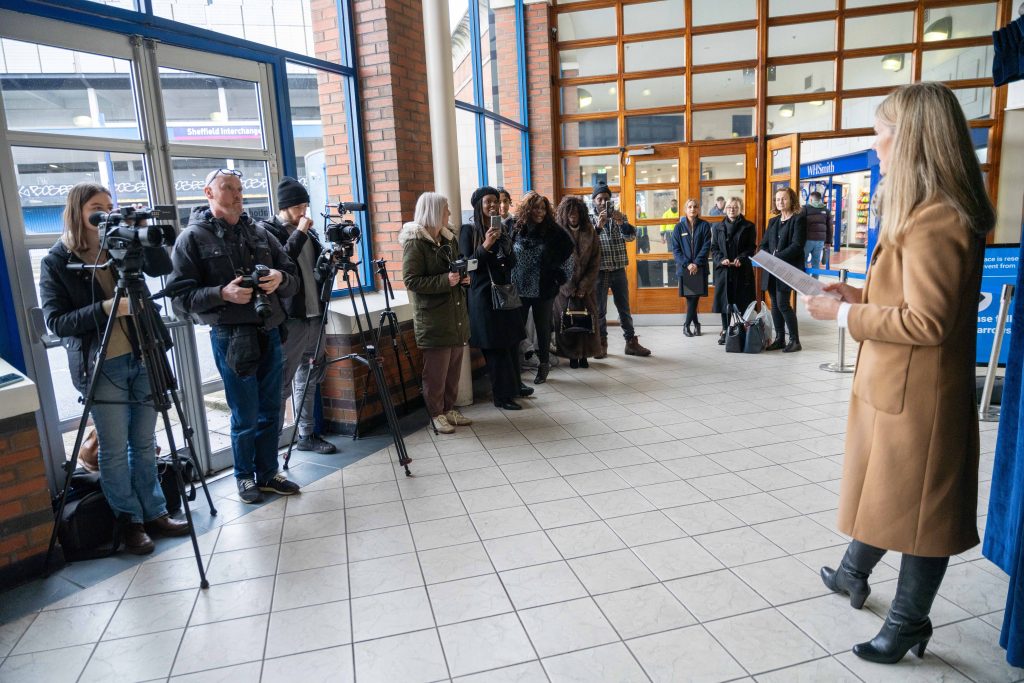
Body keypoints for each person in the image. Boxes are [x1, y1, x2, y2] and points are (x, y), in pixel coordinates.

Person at [805, 82, 995, 665]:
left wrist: (843, 315)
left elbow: (928, 321)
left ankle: (909, 622)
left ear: (910, 139)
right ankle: (853, 573)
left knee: (922, 514)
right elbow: (907, 299)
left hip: (921, 397)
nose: (875, 144)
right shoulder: (922, 208)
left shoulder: (938, 217)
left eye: (880, 133)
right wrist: (857, 295)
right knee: (889, 493)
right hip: (898, 388)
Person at [40, 182, 190, 554]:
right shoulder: (57, 260)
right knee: (113, 449)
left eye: (110, 206)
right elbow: (56, 322)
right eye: (97, 207)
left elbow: (162, 268)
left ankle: (155, 512)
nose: (106, 213)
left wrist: (142, 232)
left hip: (143, 355)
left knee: (144, 442)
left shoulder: (120, 243)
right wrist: (108, 309)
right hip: (102, 365)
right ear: (77, 212)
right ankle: (129, 522)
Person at [168, 169, 301, 504]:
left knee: (272, 408)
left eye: (240, 188)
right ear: (209, 193)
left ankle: (267, 473)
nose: (237, 194)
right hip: (230, 336)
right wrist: (221, 293)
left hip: (270, 329)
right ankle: (244, 477)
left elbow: (292, 277)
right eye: (228, 188)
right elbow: (179, 301)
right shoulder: (192, 238)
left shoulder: (259, 231)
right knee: (245, 413)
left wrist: (279, 278)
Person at [259, 177, 337, 455]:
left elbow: (312, 270)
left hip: (315, 313)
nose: (303, 210)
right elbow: (283, 261)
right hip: (290, 319)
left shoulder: (310, 234)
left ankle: (307, 434)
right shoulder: (268, 231)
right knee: (282, 382)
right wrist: (301, 231)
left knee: (310, 376)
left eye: (305, 205)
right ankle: (271, 448)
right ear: (285, 206)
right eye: (298, 206)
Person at [400, 192, 472, 434]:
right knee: (435, 374)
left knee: (453, 370)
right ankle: (436, 414)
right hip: (433, 319)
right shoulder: (415, 243)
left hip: (455, 315)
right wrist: (445, 281)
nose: (449, 213)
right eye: (445, 209)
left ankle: (449, 409)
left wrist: (463, 279)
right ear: (433, 212)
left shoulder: (448, 239)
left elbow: (455, 268)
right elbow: (411, 281)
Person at [459, 186, 529, 410]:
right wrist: (486, 245)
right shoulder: (468, 230)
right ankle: (502, 396)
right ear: (478, 205)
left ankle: (515, 387)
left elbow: (511, 264)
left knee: (511, 342)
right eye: (488, 201)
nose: (493, 205)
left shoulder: (502, 229)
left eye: (496, 201)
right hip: (483, 297)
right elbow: (467, 266)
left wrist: (506, 247)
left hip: (504, 293)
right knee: (496, 347)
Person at [510, 191, 574, 384]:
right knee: (516, 330)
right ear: (527, 209)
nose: (540, 211)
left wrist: (558, 279)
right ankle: (515, 369)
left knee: (543, 328)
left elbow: (568, 258)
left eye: (543, 208)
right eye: (536, 207)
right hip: (518, 289)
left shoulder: (555, 232)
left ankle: (543, 366)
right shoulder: (515, 228)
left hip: (543, 289)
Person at [592, 183, 651, 358]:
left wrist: (621, 222)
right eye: (599, 199)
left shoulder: (620, 216)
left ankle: (631, 343)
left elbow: (631, 237)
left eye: (606, 199)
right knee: (600, 310)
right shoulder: (589, 219)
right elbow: (587, 243)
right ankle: (601, 343)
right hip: (599, 271)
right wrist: (598, 226)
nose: (603, 202)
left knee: (624, 308)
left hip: (618, 270)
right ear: (594, 200)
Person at [552, 196, 602, 368]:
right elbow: (555, 262)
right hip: (564, 289)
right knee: (567, 322)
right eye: (569, 213)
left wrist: (584, 286)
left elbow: (595, 261)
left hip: (586, 288)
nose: (573, 216)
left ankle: (585, 355)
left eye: (576, 212)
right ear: (564, 214)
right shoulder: (557, 233)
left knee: (588, 321)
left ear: (581, 213)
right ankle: (572, 356)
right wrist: (569, 287)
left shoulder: (590, 231)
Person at [759, 186, 806, 352]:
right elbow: (764, 244)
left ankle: (795, 341)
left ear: (791, 200)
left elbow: (797, 246)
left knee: (783, 303)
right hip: (772, 269)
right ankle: (780, 339)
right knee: (774, 304)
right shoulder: (773, 221)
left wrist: (776, 257)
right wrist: (765, 256)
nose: (780, 202)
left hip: (787, 269)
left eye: (784, 198)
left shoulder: (798, 219)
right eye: (778, 199)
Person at [711, 197, 756, 344]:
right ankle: (725, 330)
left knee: (742, 301)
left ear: (740, 208)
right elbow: (714, 248)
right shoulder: (717, 227)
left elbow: (751, 248)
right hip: (724, 271)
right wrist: (721, 259)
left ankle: (740, 330)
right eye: (729, 207)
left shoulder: (749, 226)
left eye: (735, 207)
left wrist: (741, 258)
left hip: (741, 270)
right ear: (725, 208)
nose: (732, 209)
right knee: (725, 301)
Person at [670, 198, 711, 337]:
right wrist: (687, 264)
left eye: (695, 206)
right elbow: (676, 250)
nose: (692, 209)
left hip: (700, 268)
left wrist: (696, 264)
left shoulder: (705, 226)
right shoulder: (678, 227)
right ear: (685, 209)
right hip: (685, 268)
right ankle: (696, 325)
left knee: (694, 297)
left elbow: (706, 246)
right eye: (689, 207)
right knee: (690, 298)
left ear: (698, 209)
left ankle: (686, 325)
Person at [803, 190, 834, 279]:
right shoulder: (826, 210)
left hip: (807, 239)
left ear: (811, 199)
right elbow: (830, 227)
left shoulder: (805, 208)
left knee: (803, 259)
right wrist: (828, 241)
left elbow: (800, 224)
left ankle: (805, 279)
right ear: (820, 199)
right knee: (816, 262)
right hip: (820, 240)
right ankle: (815, 280)